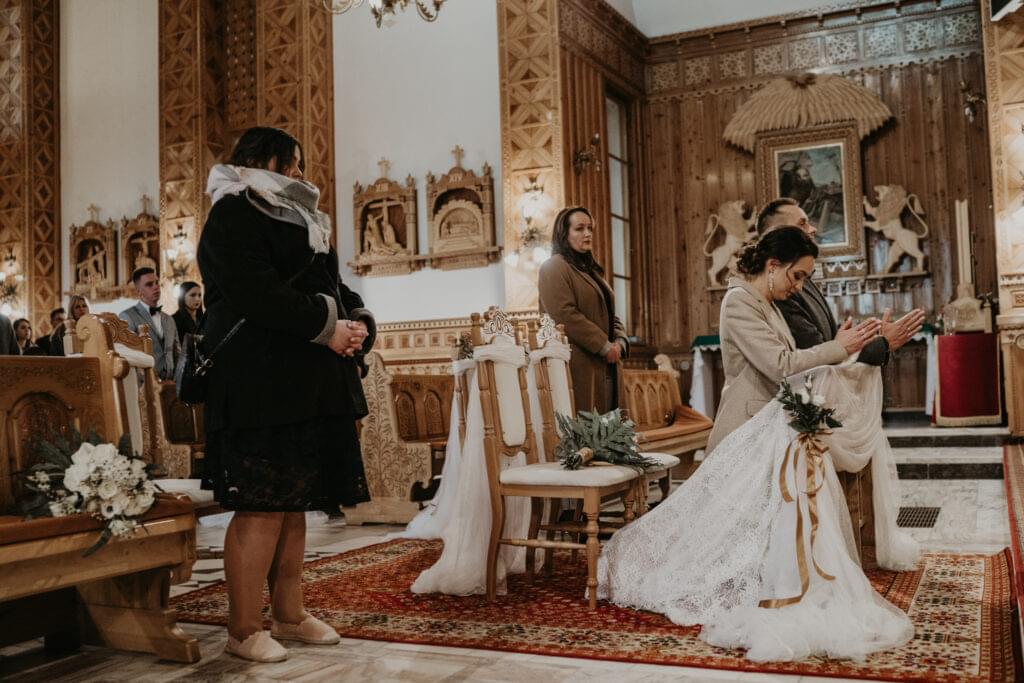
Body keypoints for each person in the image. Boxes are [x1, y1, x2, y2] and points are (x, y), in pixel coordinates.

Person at [597, 227, 914, 662]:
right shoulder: (738, 301)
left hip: (774, 429)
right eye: (796, 276)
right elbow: (779, 365)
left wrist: (843, 349)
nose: (798, 287)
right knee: (723, 535)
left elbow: (793, 366)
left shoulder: (767, 303)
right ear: (772, 265)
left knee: (761, 531)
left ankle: (771, 585)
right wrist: (837, 348)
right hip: (746, 426)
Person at [199, 126, 374, 663]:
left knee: (294, 501)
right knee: (261, 506)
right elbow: (256, 292)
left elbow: (332, 284)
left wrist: (358, 320)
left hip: (303, 381)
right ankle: (242, 628)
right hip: (258, 381)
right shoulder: (233, 211)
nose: (299, 172)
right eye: (292, 162)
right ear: (263, 159)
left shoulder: (302, 216)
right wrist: (327, 326)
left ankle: (290, 614)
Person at [756, 198, 925, 364]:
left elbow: (832, 342)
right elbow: (816, 355)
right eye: (802, 224)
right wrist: (883, 344)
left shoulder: (800, 278)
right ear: (778, 234)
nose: (813, 229)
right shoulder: (780, 289)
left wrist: (876, 338)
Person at [538, 206, 628, 414]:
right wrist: (604, 345)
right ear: (564, 234)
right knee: (587, 427)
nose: (587, 233)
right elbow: (564, 314)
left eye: (590, 228)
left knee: (612, 428)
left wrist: (620, 342)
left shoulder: (592, 271)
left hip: (607, 363)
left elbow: (610, 314)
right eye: (579, 228)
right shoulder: (553, 267)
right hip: (579, 365)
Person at [119, 267, 179, 380]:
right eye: (149, 284)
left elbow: (176, 353)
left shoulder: (169, 319)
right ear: (139, 291)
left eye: (157, 282)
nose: (156, 287)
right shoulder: (127, 316)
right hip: (144, 383)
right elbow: (127, 355)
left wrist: (177, 380)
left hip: (170, 382)